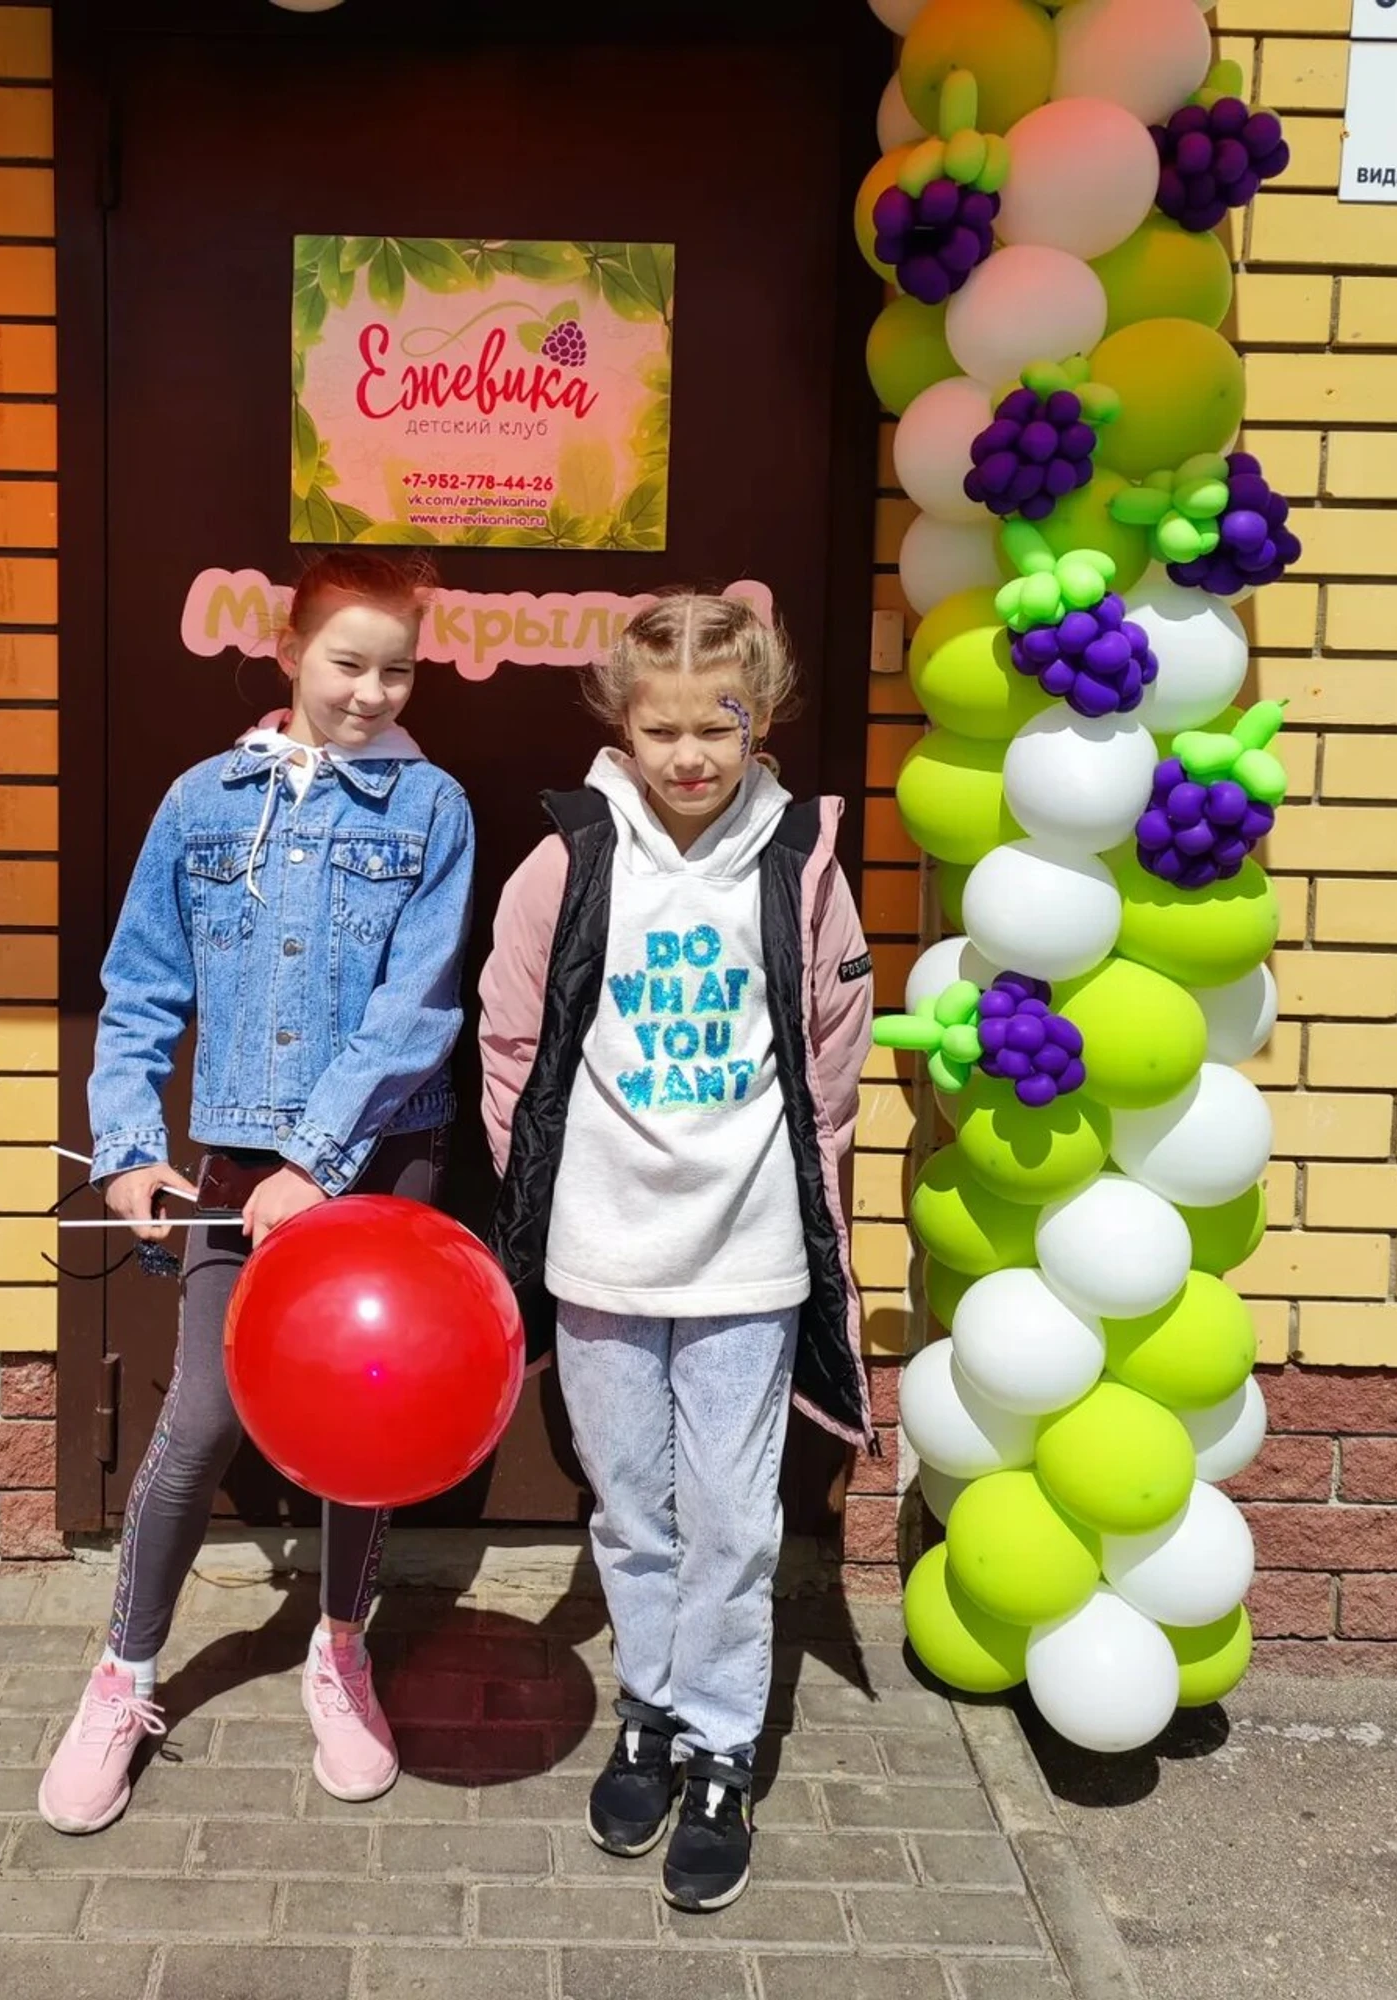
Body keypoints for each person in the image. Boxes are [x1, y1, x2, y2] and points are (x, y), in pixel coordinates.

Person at [39, 550, 474, 1834]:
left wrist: (317, 1163)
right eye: (347, 662)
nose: (372, 691)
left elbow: (417, 1010)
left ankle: (339, 1648)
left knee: (361, 1416)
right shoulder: (201, 800)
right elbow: (140, 987)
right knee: (200, 1418)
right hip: (233, 1161)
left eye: (398, 669)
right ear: (287, 651)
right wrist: (127, 1146)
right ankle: (123, 1675)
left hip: (381, 1153)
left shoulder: (431, 808)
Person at [479, 591, 874, 1912]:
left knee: (732, 1517)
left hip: (745, 1254)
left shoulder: (798, 864)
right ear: (621, 725)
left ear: (763, 720)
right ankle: (647, 1712)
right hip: (600, 1249)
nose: (691, 753)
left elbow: (832, 1060)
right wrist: (542, 1189)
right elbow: (512, 1040)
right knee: (631, 1508)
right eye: (663, 729)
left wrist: (803, 1189)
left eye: (721, 724)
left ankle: (719, 1748)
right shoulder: (570, 861)